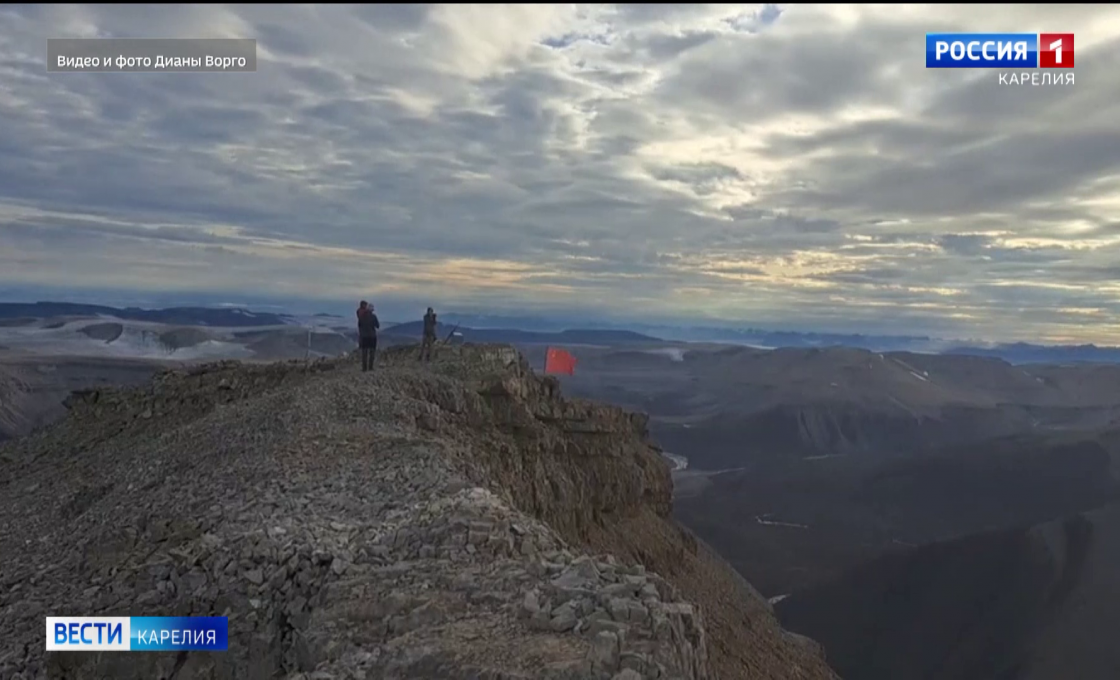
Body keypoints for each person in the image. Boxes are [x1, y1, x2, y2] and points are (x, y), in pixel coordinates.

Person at [356, 300, 380, 372]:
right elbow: (377, 326)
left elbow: (359, 325)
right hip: (372, 336)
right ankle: (370, 367)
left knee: (364, 352)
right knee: (372, 352)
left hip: (364, 337)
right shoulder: (373, 317)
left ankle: (364, 368)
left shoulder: (361, 317)